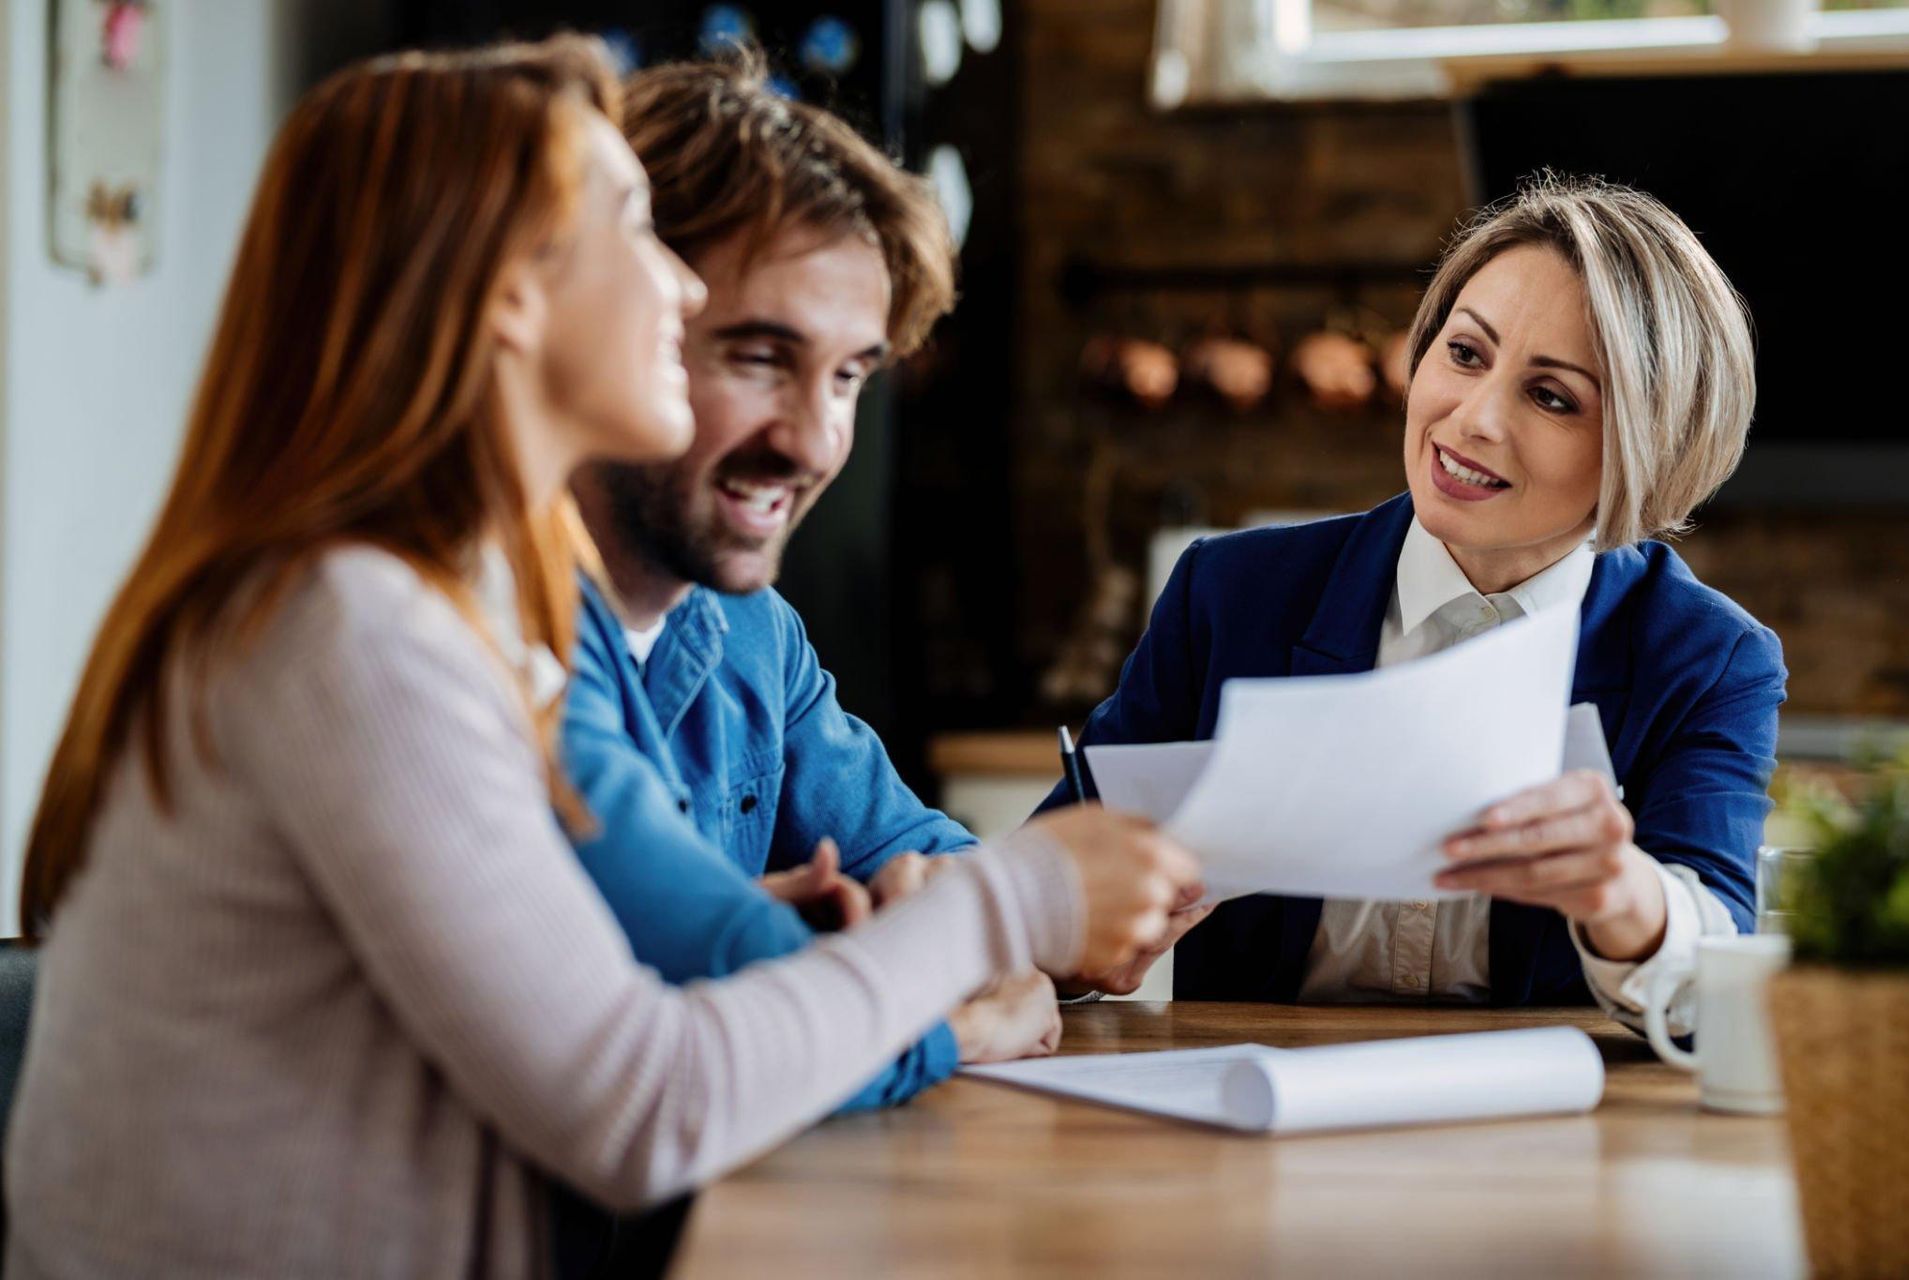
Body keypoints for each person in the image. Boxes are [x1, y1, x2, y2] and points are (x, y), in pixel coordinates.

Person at [5, 38, 1196, 1279]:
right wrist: (1006, 911)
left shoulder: (415, 608)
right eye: (632, 226)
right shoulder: (360, 629)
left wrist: (836, 948)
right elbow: (647, 1099)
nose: (676, 288)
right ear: (512, 290)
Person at [1043, 176, 1785, 1031]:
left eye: (1551, 397)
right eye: (1465, 354)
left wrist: (1624, 895)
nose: (1471, 419)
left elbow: (1718, 967)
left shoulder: (1706, 657)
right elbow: (1037, 905)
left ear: (1649, 448)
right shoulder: (1231, 595)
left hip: (1550, 1133)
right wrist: (1080, 934)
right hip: (1257, 1120)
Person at [561, 51, 1054, 1111]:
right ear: (617, 324)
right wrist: (949, 996)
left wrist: (943, 912)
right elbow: (661, 1031)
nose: (815, 440)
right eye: (756, 357)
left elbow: (916, 853)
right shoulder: (496, 632)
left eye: (847, 375)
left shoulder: (751, 629)